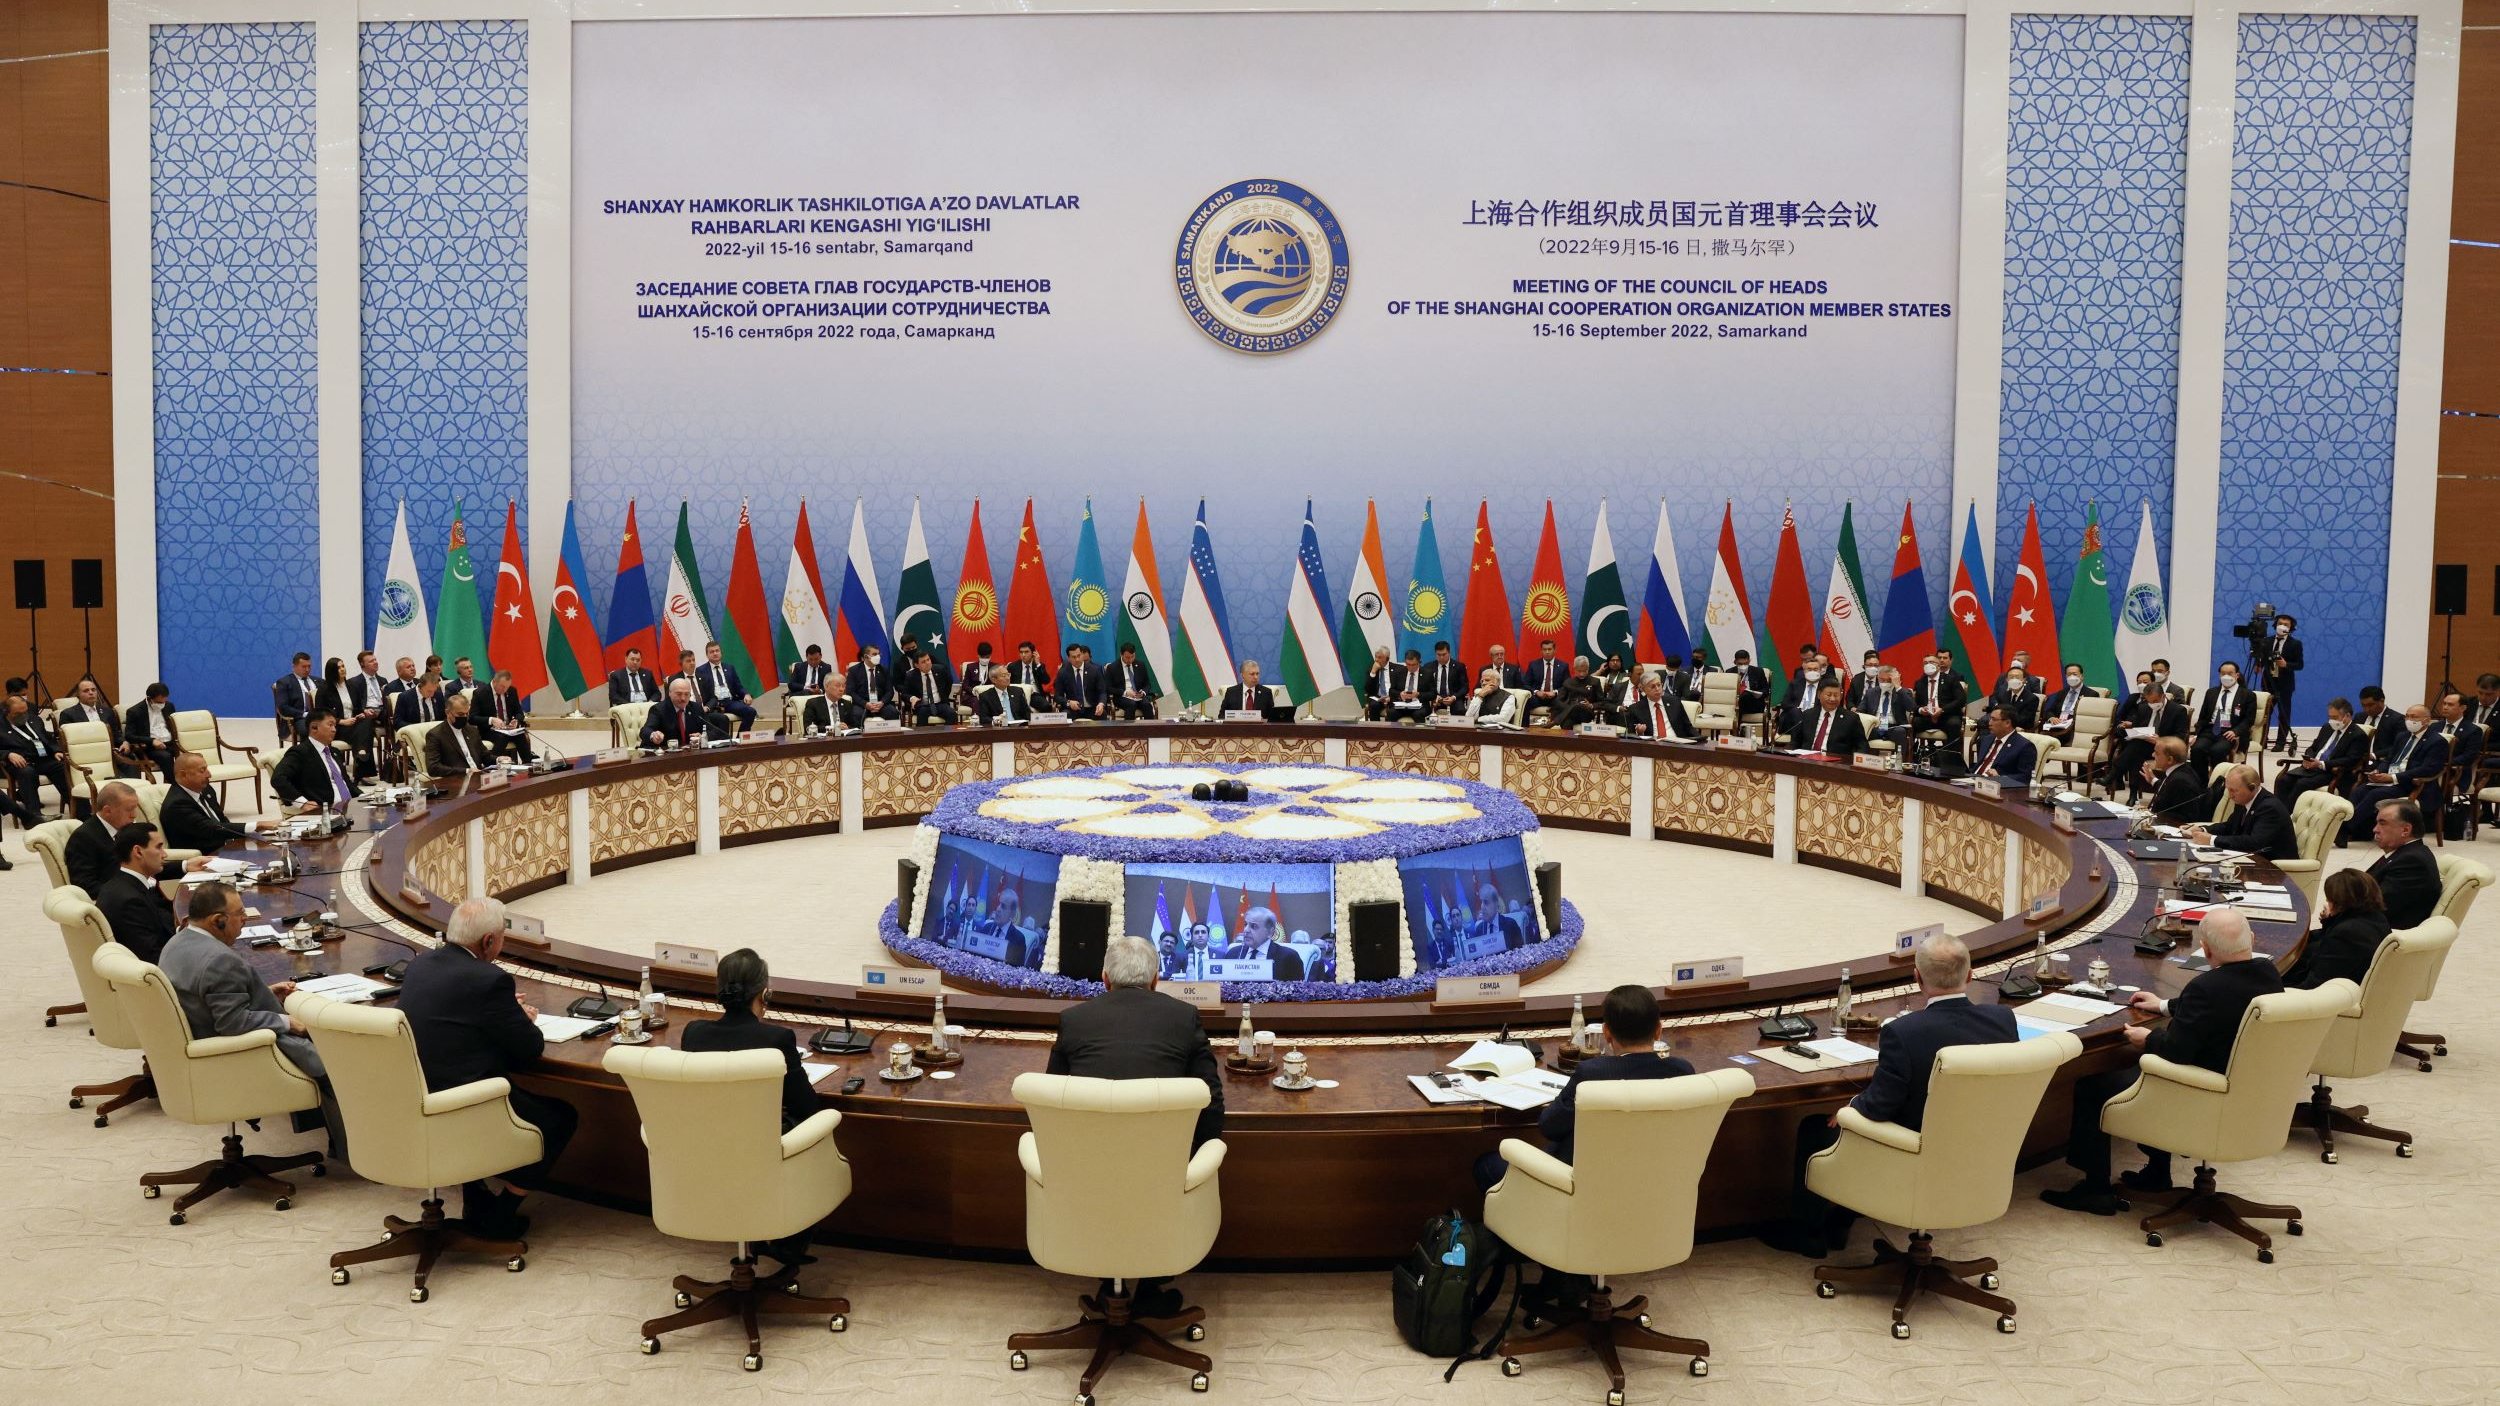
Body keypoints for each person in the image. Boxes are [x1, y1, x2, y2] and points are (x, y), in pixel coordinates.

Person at [1764, 932, 2015, 1256]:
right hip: (1982, 1153)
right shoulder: (2003, 1020)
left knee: (1818, 1126)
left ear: (1916, 978)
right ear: (1969, 975)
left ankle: (1808, 1234)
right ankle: (1841, 1217)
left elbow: (1879, 1106)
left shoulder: (1904, 1032)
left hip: (1914, 1154)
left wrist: (1847, 1109)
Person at [2044, 907, 2282, 1213]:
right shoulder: (2268, 975)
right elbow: (2222, 1005)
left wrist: (2148, 1039)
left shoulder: (2206, 988)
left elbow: (2176, 1052)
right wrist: (2164, 1006)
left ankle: (2095, 1189)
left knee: (2095, 1086)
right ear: (2251, 938)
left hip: (2203, 1090)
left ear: (2206, 951)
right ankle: (2157, 1173)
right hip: (2247, 1087)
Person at [1045, 934, 1224, 1317]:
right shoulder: (1183, 1018)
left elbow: (1054, 1099)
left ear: (1104, 979)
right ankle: (1148, 1277)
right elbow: (1211, 1101)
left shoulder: (1073, 1021)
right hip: (1163, 1183)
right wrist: (1198, 1163)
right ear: (1156, 980)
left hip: (1083, 1186)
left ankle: (1109, 1269)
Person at [395, 898, 578, 1238]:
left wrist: (503, 1011)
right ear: (489, 942)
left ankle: (475, 1195)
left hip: (414, 1097)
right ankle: (500, 1214)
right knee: (559, 1118)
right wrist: (520, 1018)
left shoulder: (421, 965)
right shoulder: (489, 980)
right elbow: (530, 1050)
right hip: (467, 1103)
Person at [161, 882, 343, 1156]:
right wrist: (288, 1023)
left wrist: (265, 993)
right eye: (240, 915)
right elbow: (232, 1023)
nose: (245, 921)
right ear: (218, 921)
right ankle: (353, 1151)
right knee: (339, 1059)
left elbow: (207, 997)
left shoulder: (177, 942)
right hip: (235, 1054)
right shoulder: (220, 960)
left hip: (196, 1045)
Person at [680, 948, 821, 1268]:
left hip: (703, 1158)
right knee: (815, 1133)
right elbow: (809, 1107)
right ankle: (787, 1247)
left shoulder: (694, 1033)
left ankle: (756, 1235)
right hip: (762, 1161)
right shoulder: (777, 1039)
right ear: (764, 993)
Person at [1473, 984, 1691, 1192]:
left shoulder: (1591, 1075)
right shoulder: (1683, 1072)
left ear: (1606, 1033)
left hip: (1574, 1189)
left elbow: (1549, 1126)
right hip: (1653, 1189)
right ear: (1659, 1031)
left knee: (1487, 1165)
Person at [67, 780, 201, 895]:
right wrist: (133, 891)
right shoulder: (83, 838)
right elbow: (85, 887)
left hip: (151, 896)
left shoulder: (127, 829)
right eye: (129, 809)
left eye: (135, 808)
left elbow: (146, 865)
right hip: (127, 907)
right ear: (108, 811)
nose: (134, 815)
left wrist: (185, 865)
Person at [2342, 705, 2448, 842]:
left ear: (2427, 721)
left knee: (2375, 794)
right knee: (2360, 790)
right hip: (2391, 779)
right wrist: (2378, 771)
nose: (2409, 720)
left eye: (2414, 717)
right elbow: (2389, 759)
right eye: (2407, 716)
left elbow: (2428, 769)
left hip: (2413, 783)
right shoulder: (2402, 736)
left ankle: (2344, 829)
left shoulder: (2437, 741)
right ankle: (2356, 830)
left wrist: (2393, 777)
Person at [2280, 869, 2392, 991]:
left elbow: (2315, 985)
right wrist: (2330, 920)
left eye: (2329, 900)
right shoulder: (2376, 917)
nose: (2327, 903)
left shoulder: (2346, 933)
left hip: (2321, 997)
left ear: (2339, 902)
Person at [93, 823, 179, 962]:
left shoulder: (127, 883)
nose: (165, 854)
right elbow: (154, 957)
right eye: (159, 847)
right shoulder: (129, 901)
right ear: (138, 852)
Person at [2104, 672, 2189, 800]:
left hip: (2165, 748)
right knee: (2135, 749)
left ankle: (2114, 777)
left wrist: (2160, 740)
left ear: (2163, 696)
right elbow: (2138, 727)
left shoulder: (2178, 710)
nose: (2152, 704)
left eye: (2155, 701)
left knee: (2134, 750)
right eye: (2149, 702)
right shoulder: (2143, 707)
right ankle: (2132, 794)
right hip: (2144, 744)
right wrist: (2135, 732)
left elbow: (2180, 737)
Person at [163, 750, 264, 853]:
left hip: (228, 846)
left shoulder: (206, 790)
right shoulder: (177, 804)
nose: (209, 774)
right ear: (184, 775)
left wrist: (255, 832)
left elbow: (223, 821)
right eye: (202, 770)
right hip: (206, 856)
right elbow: (211, 829)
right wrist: (257, 825)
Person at [2188, 764, 2295, 860]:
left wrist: (2213, 840)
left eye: (2233, 790)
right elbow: (2229, 827)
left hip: (2274, 868)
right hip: (2250, 859)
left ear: (2252, 788)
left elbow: (2254, 843)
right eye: (2228, 790)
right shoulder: (2243, 799)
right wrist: (2202, 829)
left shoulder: (2270, 808)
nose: (2230, 796)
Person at [2363, 799, 2440, 929]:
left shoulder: (2413, 862)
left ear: (2405, 830)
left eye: (2382, 823)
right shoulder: (2403, 853)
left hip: (2379, 936)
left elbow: (2377, 906)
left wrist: (2337, 910)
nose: (2375, 829)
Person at [2275, 697, 2367, 804]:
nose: (2332, 720)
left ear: (2347, 716)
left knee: (2301, 784)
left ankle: (2287, 815)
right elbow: (2313, 748)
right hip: (2312, 768)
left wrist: (2322, 764)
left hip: (2332, 772)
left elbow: (2351, 760)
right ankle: (2278, 812)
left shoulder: (2358, 735)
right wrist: (2309, 758)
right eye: (2330, 717)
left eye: (2335, 717)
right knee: (2284, 780)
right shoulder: (2327, 728)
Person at [2, 692, 72, 817]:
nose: (23, 716)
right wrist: (8, 754)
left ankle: (81, 810)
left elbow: (47, 738)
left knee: (61, 767)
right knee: (27, 773)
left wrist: (56, 750)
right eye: (18, 714)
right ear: (6, 713)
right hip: (19, 761)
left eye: (25, 712)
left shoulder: (34, 719)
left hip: (42, 757)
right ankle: (35, 816)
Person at [56, 677, 141, 778]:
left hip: (111, 752)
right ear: (78, 695)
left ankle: (133, 790)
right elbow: (65, 741)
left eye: (93, 690)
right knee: (118, 776)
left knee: (130, 763)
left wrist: (124, 742)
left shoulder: (107, 711)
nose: (91, 693)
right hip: (87, 754)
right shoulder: (68, 714)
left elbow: (116, 734)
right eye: (86, 691)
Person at [271, 710, 355, 810]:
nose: (334, 730)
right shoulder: (300, 752)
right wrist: (303, 803)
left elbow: (346, 783)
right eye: (330, 725)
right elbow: (278, 778)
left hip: (351, 806)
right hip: (328, 810)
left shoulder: (335, 752)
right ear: (314, 727)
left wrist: (365, 797)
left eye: (335, 726)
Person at [2190, 661, 2257, 770]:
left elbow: (2249, 720)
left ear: (2237, 675)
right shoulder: (2211, 692)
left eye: (2230, 673)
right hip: (2210, 730)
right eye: (2223, 673)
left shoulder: (2247, 695)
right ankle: (2201, 783)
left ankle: (2218, 783)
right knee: (2197, 749)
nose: (2226, 676)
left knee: (2217, 751)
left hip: (2231, 733)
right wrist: (2196, 734)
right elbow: (2203, 717)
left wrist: (2236, 731)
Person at [337, 652, 391, 778]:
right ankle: (364, 762)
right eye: (371, 661)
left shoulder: (383, 680)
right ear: (362, 664)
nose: (375, 662)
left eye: (375, 659)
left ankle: (396, 758)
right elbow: (354, 704)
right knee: (365, 723)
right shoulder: (354, 682)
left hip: (383, 711)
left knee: (395, 718)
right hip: (366, 712)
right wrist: (364, 711)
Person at [1787, 680, 1867, 759]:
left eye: (1836, 695)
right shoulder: (1807, 715)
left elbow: (1862, 745)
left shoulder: (1851, 718)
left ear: (1841, 697)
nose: (1832, 699)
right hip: (1807, 761)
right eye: (1828, 695)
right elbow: (1795, 741)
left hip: (1836, 763)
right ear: (1819, 694)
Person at [1220, 906, 1304, 980]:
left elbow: (1298, 993)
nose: (1246, 930)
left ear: (1270, 932)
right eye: (1245, 924)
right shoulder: (1233, 953)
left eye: (1254, 926)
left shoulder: (1289, 957)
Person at [695, 641, 757, 733]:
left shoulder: (729, 668)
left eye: (717, 651)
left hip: (729, 702)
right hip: (713, 703)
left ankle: (740, 739)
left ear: (721, 652)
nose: (715, 653)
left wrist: (746, 694)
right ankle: (724, 742)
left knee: (751, 712)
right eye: (711, 652)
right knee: (720, 720)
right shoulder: (700, 670)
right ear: (707, 655)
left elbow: (738, 686)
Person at [2140, 736, 2207, 821]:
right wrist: (2153, 780)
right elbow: (2168, 792)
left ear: (2170, 759)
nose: (2152, 755)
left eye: (2156, 753)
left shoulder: (2180, 781)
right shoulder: (2181, 771)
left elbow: (2184, 817)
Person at [476, 669, 535, 764]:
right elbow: (472, 718)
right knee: (502, 737)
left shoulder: (512, 691)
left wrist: (516, 720)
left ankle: (528, 764)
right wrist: (491, 720)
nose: (505, 690)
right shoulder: (480, 693)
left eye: (507, 687)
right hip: (489, 730)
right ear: (494, 682)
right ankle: (491, 765)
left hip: (508, 729)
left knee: (520, 734)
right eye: (502, 687)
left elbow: (519, 712)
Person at [425, 692, 491, 776]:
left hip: (479, 776)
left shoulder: (472, 730)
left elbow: (485, 756)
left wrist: (499, 759)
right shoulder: (435, 735)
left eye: (466, 714)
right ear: (448, 713)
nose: (464, 717)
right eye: (460, 714)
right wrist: (466, 771)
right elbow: (433, 768)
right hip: (457, 779)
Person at [124, 682, 181, 778]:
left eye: (164, 701)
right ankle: (175, 784)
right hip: (150, 747)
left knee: (190, 757)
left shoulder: (169, 706)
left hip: (170, 743)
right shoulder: (135, 711)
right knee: (166, 757)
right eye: (159, 702)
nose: (162, 704)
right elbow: (129, 736)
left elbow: (174, 726)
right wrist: (152, 741)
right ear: (150, 699)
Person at [1968, 705, 2035, 785]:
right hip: (1972, 781)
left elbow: (2025, 777)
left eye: (1994, 719)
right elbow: (1979, 764)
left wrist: (2000, 778)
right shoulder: (1986, 739)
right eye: (1990, 718)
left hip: (1994, 788)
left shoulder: (2025, 746)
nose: (1989, 723)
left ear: (2007, 723)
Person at [640, 678, 714, 750]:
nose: (683, 698)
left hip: (691, 754)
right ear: (670, 693)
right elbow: (645, 731)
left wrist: (703, 736)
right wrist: (653, 735)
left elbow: (712, 731)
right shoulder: (658, 709)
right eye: (679, 694)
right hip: (666, 756)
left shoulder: (696, 708)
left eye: (686, 694)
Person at [1623, 670, 1699, 740]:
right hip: (1652, 746)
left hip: (1677, 744)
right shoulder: (1635, 709)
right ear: (1643, 689)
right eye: (1652, 686)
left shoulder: (1675, 702)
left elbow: (1688, 727)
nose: (1657, 689)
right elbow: (1631, 735)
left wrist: (1701, 741)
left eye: (1659, 685)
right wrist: (1640, 733)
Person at [2040, 665, 2100, 744]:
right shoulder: (2061, 693)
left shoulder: (2091, 694)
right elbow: (2050, 710)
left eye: (2074, 674)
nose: (2072, 677)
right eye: (2069, 674)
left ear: (2082, 676)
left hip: (2073, 730)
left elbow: (2090, 718)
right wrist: (2051, 717)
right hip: (2056, 726)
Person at [1219, 660, 1288, 721]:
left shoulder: (1266, 693)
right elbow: (1221, 716)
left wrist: (1263, 720)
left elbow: (1272, 718)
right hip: (1236, 731)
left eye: (1257, 674)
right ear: (1243, 675)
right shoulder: (1231, 692)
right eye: (1252, 674)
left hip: (1259, 732)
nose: (1256, 677)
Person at [1108, 642, 1161, 720]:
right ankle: (1129, 731)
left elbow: (1147, 684)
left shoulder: (1140, 665)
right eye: (1127, 657)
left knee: (1147, 705)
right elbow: (1108, 688)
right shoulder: (1112, 667)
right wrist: (1125, 692)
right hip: (1122, 697)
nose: (1130, 660)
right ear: (1121, 655)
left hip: (1138, 696)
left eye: (1132, 657)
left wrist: (1143, 692)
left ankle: (1149, 730)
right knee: (1131, 704)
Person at [1052, 644, 1105, 721]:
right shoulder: (1063, 672)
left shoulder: (1094, 670)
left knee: (1102, 714)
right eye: (1073, 657)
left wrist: (1101, 704)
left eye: (1079, 655)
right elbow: (1057, 696)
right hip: (1072, 709)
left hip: (1091, 708)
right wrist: (1069, 702)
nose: (1077, 659)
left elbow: (1102, 692)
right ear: (1068, 658)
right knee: (1065, 715)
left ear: (1082, 655)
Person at [1551, 657, 1606, 729]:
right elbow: (1558, 700)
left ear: (1588, 668)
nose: (1582, 674)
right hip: (1570, 714)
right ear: (1574, 668)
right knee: (1566, 723)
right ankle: (1567, 740)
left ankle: (1555, 722)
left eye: (1584, 671)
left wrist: (1591, 705)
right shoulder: (1568, 682)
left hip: (1586, 714)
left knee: (1577, 705)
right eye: (1579, 671)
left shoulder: (1595, 682)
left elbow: (1602, 702)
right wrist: (1567, 708)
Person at [902, 649, 952, 725]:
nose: (927, 663)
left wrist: (944, 696)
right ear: (917, 665)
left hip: (940, 703)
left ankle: (948, 736)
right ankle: (924, 737)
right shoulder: (911, 676)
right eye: (923, 662)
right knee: (922, 714)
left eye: (928, 660)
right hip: (923, 705)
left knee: (952, 714)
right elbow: (904, 694)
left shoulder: (941, 670)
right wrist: (912, 698)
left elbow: (949, 683)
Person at [276, 652, 318, 741]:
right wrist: (304, 714)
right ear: (294, 666)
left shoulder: (319, 681)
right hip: (298, 719)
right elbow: (283, 707)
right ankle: (307, 754)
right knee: (310, 729)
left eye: (309, 666)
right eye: (304, 667)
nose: (307, 669)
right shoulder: (284, 683)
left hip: (319, 717)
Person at [1524, 641, 1569, 724]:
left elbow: (1567, 686)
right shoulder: (1533, 665)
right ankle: (1525, 728)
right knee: (1524, 702)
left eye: (1549, 649)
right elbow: (1526, 684)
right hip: (1537, 697)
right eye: (1544, 649)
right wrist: (1536, 692)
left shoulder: (1563, 666)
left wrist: (1555, 692)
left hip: (1554, 697)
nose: (1547, 652)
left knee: (1563, 704)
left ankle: (1556, 729)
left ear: (1554, 650)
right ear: (1541, 651)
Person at [1359, 646, 1406, 722]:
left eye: (1380, 657)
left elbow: (1402, 687)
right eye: (1376, 657)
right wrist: (1373, 672)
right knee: (1374, 705)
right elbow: (1367, 689)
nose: (1376, 660)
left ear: (1387, 658)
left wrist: (1391, 697)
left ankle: (1391, 731)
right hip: (1378, 698)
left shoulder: (1399, 669)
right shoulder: (1371, 668)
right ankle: (1376, 730)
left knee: (1393, 711)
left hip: (1393, 698)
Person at [1423, 641, 1468, 714]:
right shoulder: (1428, 667)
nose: (1441, 657)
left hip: (1453, 698)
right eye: (1438, 655)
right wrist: (1434, 696)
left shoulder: (1459, 666)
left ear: (1449, 653)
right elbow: (1424, 687)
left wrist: (1453, 697)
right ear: (1435, 654)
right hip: (1435, 698)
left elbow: (1465, 687)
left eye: (1444, 654)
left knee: (1460, 711)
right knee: (1423, 712)